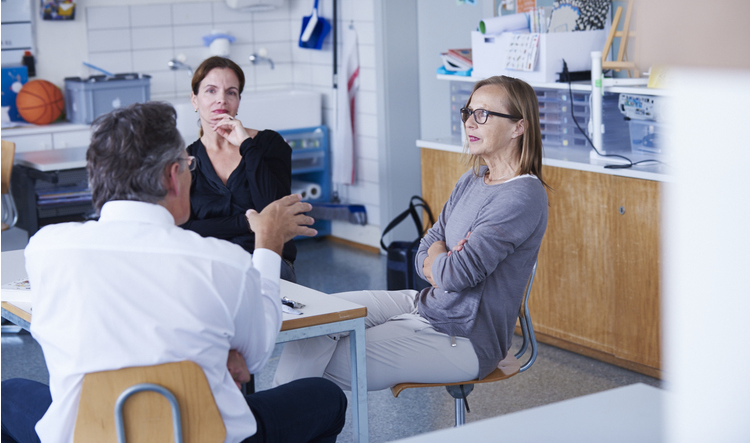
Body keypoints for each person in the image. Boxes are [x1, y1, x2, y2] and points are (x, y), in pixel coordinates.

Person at [1, 102, 347, 443]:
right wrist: (268, 246)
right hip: (205, 433)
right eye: (188, 164)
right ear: (172, 175)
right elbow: (255, 355)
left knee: (8, 394)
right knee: (325, 397)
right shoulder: (222, 261)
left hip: (88, 433)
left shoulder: (47, 249)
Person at [273, 76, 549, 391]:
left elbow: (456, 276)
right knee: (314, 323)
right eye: (467, 112)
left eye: (483, 114)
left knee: (329, 361)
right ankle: (272, 425)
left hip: (463, 336)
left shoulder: (523, 195)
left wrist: (441, 260)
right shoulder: (471, 180)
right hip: (423, 303)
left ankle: (269, 427)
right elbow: (427, 246)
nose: (470, 122)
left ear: (519, 127)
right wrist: (443, 256)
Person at [180, 56, 299, 282]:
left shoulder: (268, 144)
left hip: (268, 262)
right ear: (194, 100)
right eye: (211, 91)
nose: (221, 100)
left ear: (238, 101)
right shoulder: (186, 159)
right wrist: (247, 223)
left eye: (231, 92)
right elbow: (184, 228)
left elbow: (273, 213)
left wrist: (246, 145)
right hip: (209, 267)